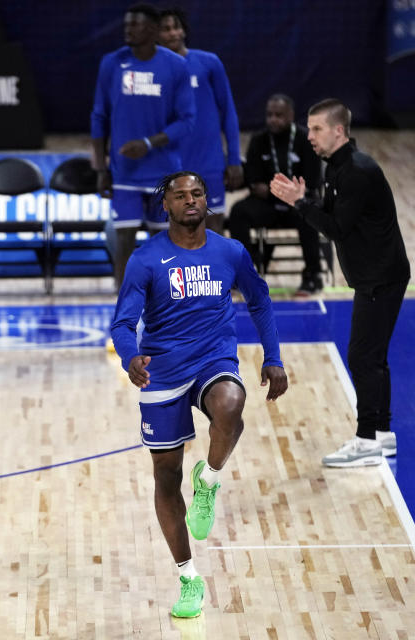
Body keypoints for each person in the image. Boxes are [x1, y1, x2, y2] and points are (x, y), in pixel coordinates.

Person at [111, 171, 288, 619]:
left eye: (197, 194)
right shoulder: (146, 259)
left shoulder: (230, 252)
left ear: (207, 201)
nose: (190, 200)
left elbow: (260, 298)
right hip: (162, 369)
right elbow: (121, 323)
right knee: (166, 478)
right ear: (164, 205)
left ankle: (208, 478)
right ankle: (188, 576)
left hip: (214, 357)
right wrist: (131, 357)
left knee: (230, 404)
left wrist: (274, 357)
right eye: (180, 195)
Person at [271, 98, 409, 467]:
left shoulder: (357, 171)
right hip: (375, 275)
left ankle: (366, 440)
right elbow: (334, 213)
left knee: (363, 357)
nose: (309, 136)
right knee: (372, 357)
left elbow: (335, 229)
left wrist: (300, 204)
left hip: (380, 278)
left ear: (338, 130)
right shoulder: (336, 166)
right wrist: (307, 198)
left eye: (316, 129)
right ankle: (381, 435)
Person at [90, 3, 195, 291]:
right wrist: (101, 168)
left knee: (166, 243)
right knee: (123, 240)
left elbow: (187, 120)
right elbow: (99, 116)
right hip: (124, 173)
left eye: (134, 25)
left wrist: (149, 143)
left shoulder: (176, 66)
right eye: (126, 25)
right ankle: (124, 304)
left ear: (151, 30)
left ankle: (170, 302)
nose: (127, 30)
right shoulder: (112, 63)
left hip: (163, 171)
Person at [157, 7, 242, 233]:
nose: (173, 33)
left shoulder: (209, 62)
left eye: (177, 27)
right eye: (166, 29)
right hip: (169, 165)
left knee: (213, 229)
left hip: (209, 163)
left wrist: (233, 159)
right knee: (173, 231)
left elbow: (229, 112)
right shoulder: (152, 72)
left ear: (184, 30)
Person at [230, 95, 323, 295]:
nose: (273, 119)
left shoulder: (306, 140)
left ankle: (312, 276)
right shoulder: (258, 140)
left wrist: (288, 192)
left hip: (297, 202)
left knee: (311, 215)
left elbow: (313, 180)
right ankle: (246, 273)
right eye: (269, 115)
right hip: (268, 204)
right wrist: (270, 189)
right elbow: (254, 180)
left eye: (279, 115)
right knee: (238, 213)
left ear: (290, 116)